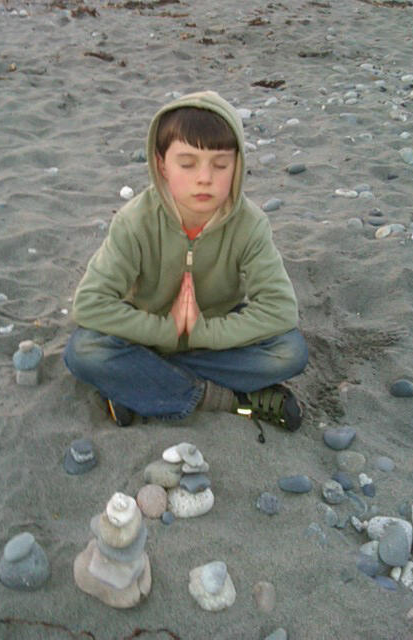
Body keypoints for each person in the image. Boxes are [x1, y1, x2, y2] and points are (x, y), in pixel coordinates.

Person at [63, 91, 308, 438]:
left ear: (237, 165)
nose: (204, 178)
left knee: (290, 352)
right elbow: (89, 304)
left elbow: (280, 311)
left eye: (220, 165)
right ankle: (223, 399)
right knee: (84, 351)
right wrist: (166, 330)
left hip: (213, 337)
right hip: (144, 334)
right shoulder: (135, 221)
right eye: (187, 164)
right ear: (162, 164)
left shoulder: (250, 225)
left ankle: (136, 383)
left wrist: (199, 332)